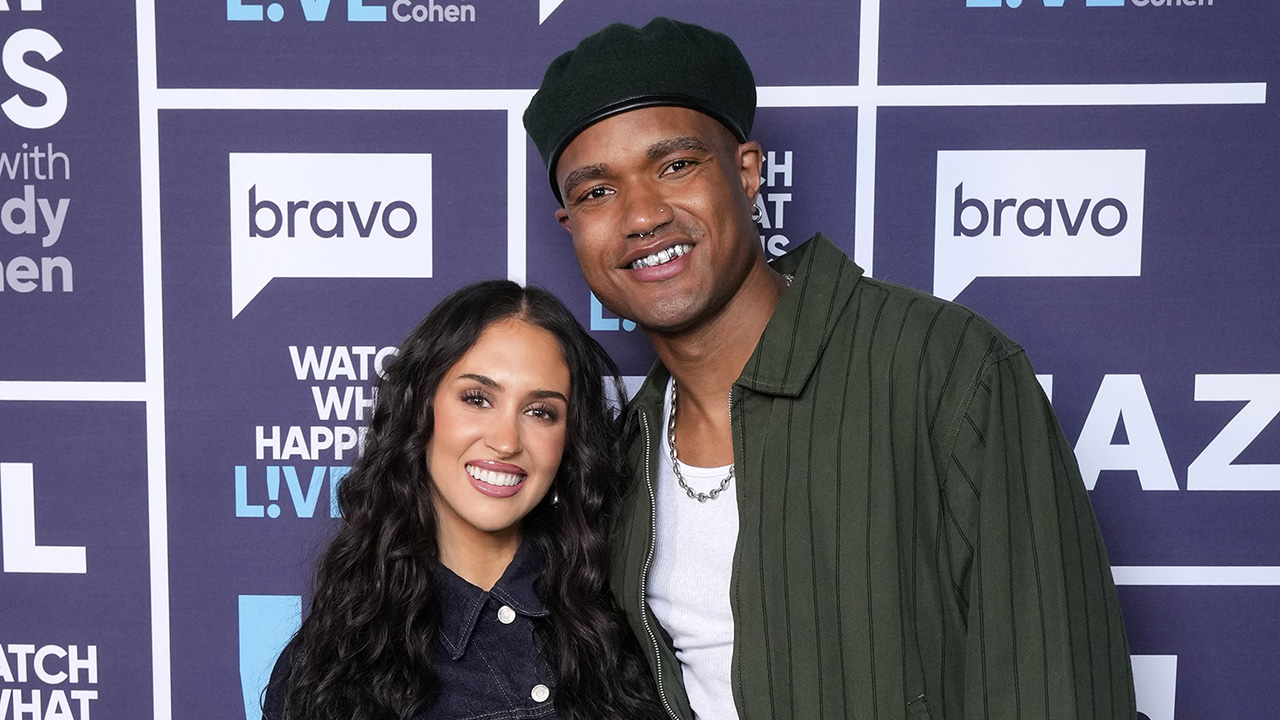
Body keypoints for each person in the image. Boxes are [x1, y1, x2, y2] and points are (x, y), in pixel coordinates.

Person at [523, 17, 1136, 720]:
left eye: (675, 165)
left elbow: (1058, 685)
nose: (640, 215)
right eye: (596, 192)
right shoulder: (622, 453)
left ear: (748, 173)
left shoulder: (945, 367)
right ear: (571, 226)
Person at [261, 280, 664, 720]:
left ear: (570, 441)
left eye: (540, 411)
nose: (506, 441)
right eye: (477, 399)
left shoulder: (635, 623)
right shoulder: (330, 668)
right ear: (420, 410)